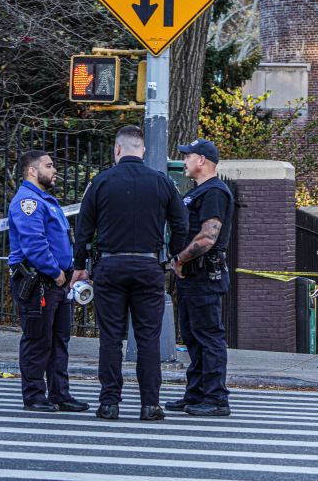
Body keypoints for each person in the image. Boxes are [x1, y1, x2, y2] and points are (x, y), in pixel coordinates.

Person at [72, 126, 190, 420]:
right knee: (148, 337)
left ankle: (109, 402)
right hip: (149, 266)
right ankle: (150, 404)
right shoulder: (161, 182)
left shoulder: (100, 182)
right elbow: (181, 223)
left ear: (117, 150)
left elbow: (83, 229)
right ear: (143, 151)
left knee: (110, 337)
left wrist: (80, 266)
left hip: (110, 266)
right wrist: (174, 256)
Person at [6, 150, 88, 413]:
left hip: (56, 282)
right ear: (32, 171)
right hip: (39, 280)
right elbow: (34, 245)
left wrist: (69, 271)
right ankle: (34, 395)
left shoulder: (46, 200)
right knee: (37, 339)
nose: (55, 170)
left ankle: (60, 394)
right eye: (49, 165)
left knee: (59, 339)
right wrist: (56, 272)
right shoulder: (28, 202)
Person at [165, 138, 233, 417]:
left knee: (208, 337)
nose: (185, 161)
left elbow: (208, 237)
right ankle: (195, 393)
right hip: (192, 276)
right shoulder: (199, 191)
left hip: (204, 274)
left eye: (188, 156)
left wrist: (179, 259)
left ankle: (216, 398)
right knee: (193, 336)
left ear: (202, 160)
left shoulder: (214, 192)